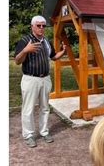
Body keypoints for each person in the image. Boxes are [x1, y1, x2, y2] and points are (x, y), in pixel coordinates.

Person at [14, 15, 66, 148]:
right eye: (39, 25)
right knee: (28, 109)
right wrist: (26, 50)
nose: (42, 28)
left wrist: (63, 51)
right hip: (31, 79)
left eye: (43, 25)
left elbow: (53, 57)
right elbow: (17, 61)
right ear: (32, 26)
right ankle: (29, 135)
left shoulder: (46, 41)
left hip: (45, 79)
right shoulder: (25, 40)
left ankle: (44, 132)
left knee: (44, 107)